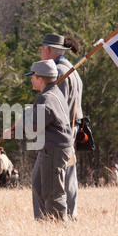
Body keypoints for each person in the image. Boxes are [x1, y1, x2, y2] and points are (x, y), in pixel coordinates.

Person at [37, 33, 83, 220]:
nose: (40, 51)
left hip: (59, 132)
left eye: (42, 48)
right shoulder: (71, 69)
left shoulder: (59, 72)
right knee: (67, 176)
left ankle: (47, 219)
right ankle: (70, 217)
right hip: (70, 129)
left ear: (49, 50)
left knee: (41, 179)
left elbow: (55, 106)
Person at [23, 59, 74, 221]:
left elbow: (33, 128)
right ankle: (46, 223)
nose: (31, 79)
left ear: (40, 78)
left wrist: (26, 114)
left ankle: (58, 229)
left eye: (32, 76)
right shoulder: (54, 94)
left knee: (53, 191)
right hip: (52, 148)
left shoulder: (46, 99)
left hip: (54, 150)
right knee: (39, 185)